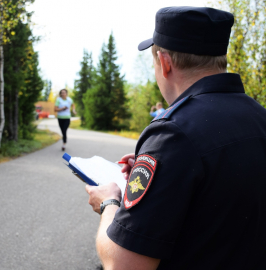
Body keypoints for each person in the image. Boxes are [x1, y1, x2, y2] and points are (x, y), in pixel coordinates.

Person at [85, 6, 266, 270]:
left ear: (165, 63)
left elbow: (123, 264)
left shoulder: (173, 134)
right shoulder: (258, 117)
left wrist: (109, 203)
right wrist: (168, 169)